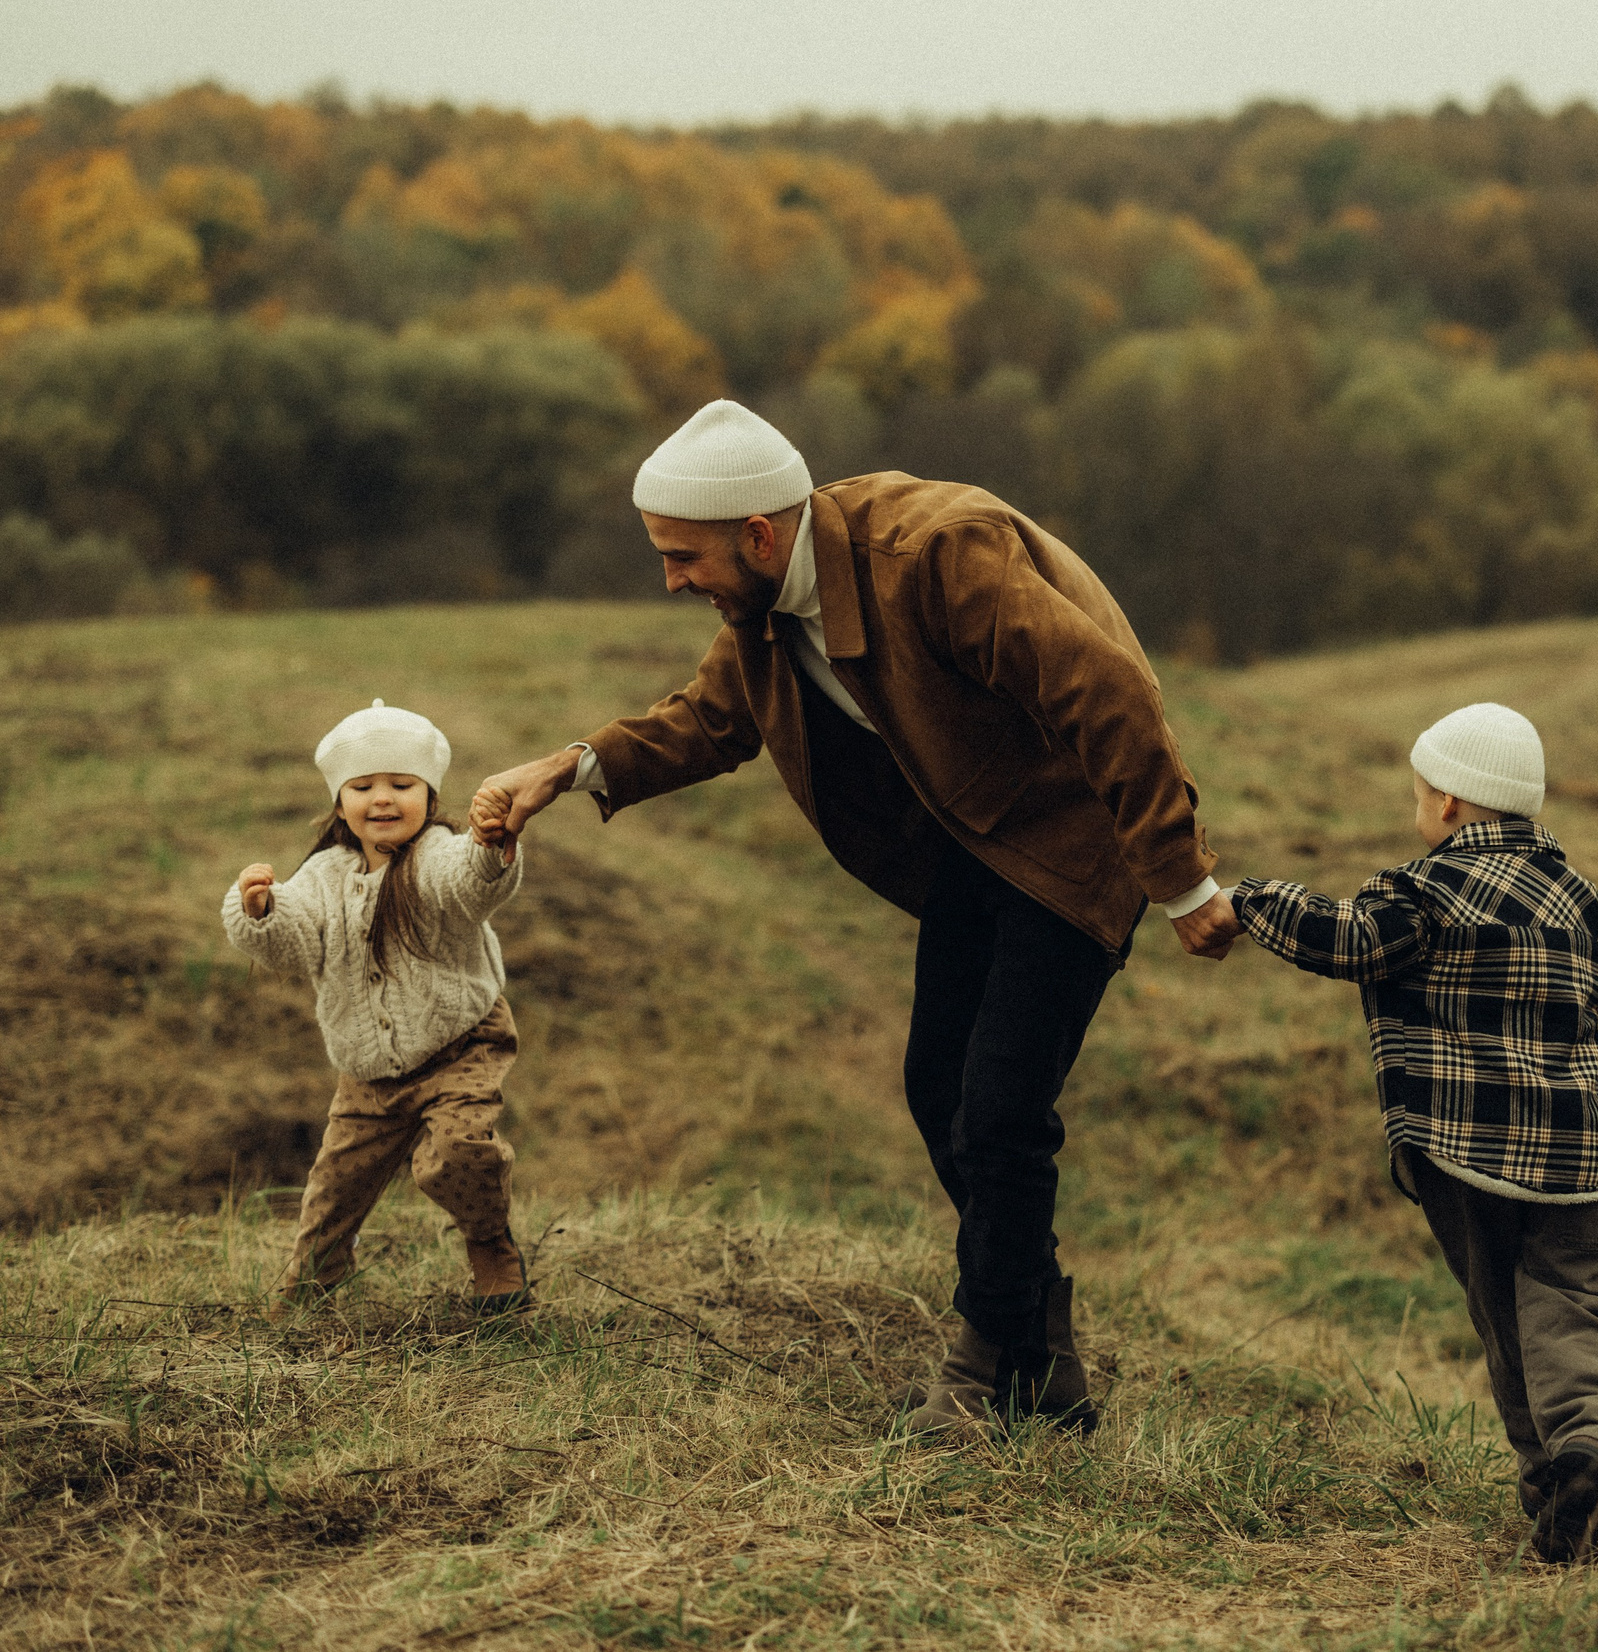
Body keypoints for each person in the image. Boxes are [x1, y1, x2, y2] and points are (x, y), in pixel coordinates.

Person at [469, 400, 1231, 1438]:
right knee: (938, 1089)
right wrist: (566, 768)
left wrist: (1180, 880)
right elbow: (711, 718)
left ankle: (984, 1369)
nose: (672, 580)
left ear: (758, 535)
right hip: (975, 848)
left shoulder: (937, 553)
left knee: (1000, 1110)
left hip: (1072, 839)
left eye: (682, 557)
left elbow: (1108, 694)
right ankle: (1040, 1360)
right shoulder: (765, 607)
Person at [1190, 704, 1598, 1563]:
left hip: (1463, 1149)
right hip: (1575, 1153)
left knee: (1505, 1313)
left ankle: (1549, 1479)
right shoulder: (1587, 902)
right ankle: (1588, 1441)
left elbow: (1351, 940)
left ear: (1446, 804)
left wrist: (1250, 900)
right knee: (1578, 1305)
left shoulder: (1421, 892)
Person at [223, 700, 530, 1315]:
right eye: (362, 787)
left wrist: (489, 847)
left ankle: (490, 1245)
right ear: (340, 804)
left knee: (460, 1151)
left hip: (459, 1045)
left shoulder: (438, 854)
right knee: (334, 1189)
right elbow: (295, 940)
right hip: (367, 1069)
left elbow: (469, 884)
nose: (382, 798)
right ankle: (316, 1278)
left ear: (429, 798)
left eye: (401, 784)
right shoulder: (324, 876)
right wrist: (261, 911)